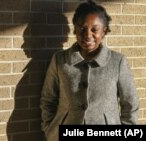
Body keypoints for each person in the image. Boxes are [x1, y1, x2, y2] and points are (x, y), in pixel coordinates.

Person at [40, 1, 139, 140]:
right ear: (74, 29)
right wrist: (50, 129)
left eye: (94, 29)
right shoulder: (59, 60)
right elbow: (48, 99)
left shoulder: (118, 62)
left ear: (104, 30)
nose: (87, 34)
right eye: (82, 28)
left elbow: (130, 103)